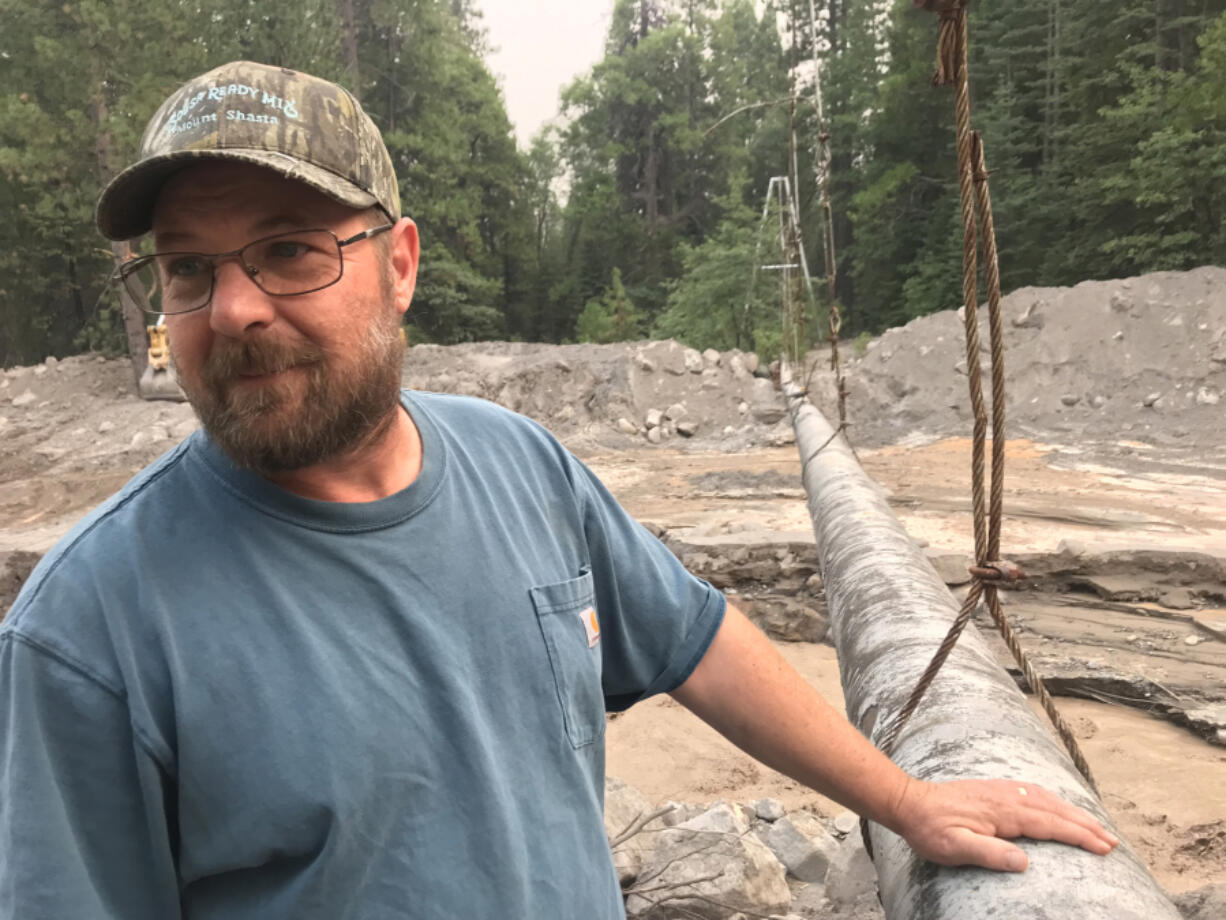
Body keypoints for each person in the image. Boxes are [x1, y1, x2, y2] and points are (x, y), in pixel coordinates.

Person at [0, 61, 1117, 919]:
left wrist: (902, 796)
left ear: (399, 265)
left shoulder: (518, 465)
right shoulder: (90, 631)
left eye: (289, 249)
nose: (231, 307)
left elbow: (696, 638)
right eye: (189, 267)